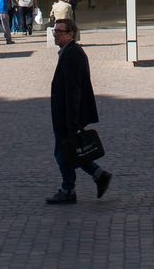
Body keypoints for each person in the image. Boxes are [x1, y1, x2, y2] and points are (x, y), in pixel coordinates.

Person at [46, 18, 112, 204]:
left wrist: (72, 120)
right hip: (65, 113)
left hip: (67, 115)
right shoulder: (69, 51)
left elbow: (74, 89)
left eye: (60, 32)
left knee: (62, 152)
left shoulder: (72, 54)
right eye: (54, 31)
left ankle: (68, 189)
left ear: (71, 33)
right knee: (71, 150)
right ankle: (99, 175)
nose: (55, 35)